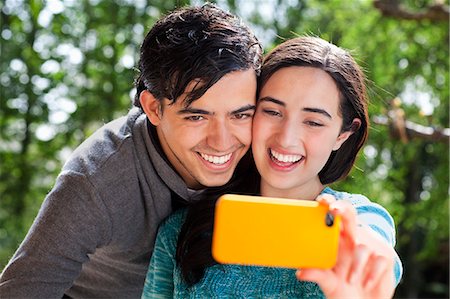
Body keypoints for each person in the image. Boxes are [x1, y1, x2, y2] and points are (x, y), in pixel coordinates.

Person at [0, 4, 263, 298]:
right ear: (154, 108)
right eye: (197, 117)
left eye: (240, 115)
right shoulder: (95, 181)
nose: (222, 141)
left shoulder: (259, 148)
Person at [141, 36, 403, 298]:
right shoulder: (181, 231)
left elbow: (373, 245)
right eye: (272, 112)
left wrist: (367, 262)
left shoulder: (357, 219)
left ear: (343, 135)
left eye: (313, 122)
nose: (286, 138)